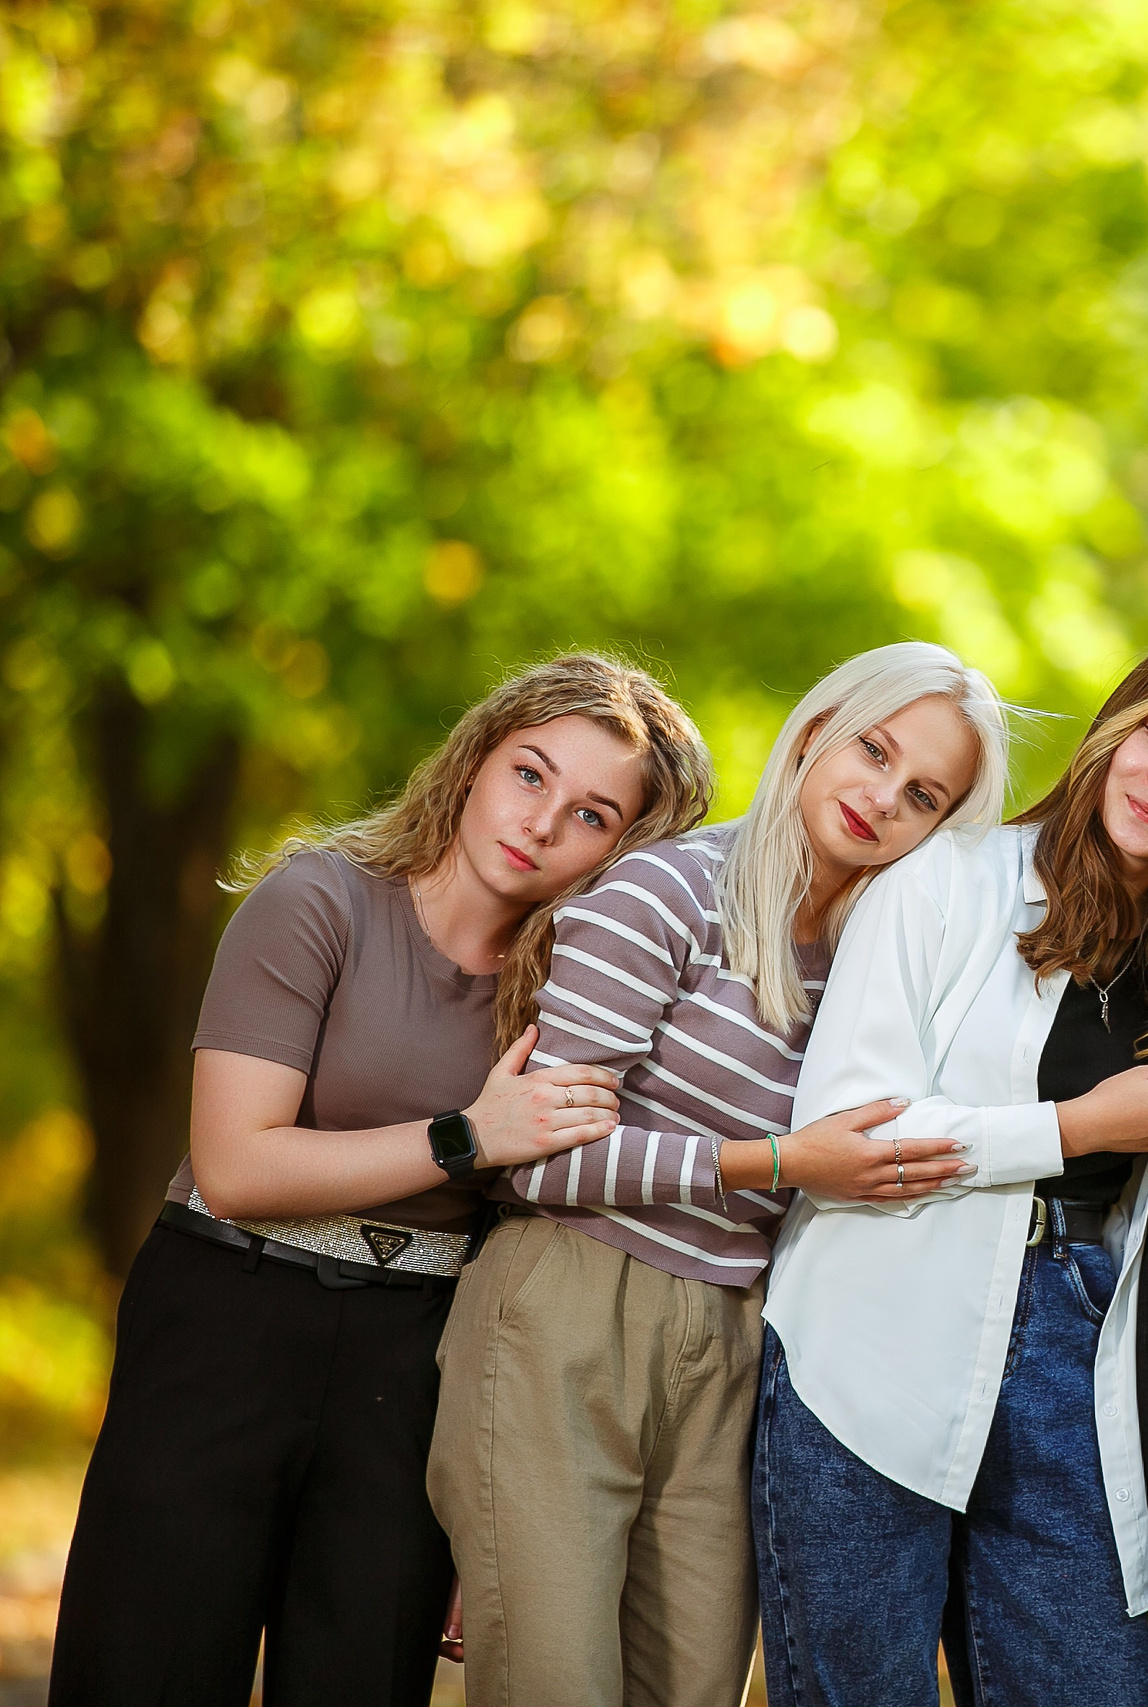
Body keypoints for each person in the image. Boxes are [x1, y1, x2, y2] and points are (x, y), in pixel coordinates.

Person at [50, 655, 714, 1707]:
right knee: (147, 1668)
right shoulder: (317, 900)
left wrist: (482, 1519)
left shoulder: (583, 1002)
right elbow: (235, 1166)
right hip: (226, 1315)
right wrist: (468, 1137)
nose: (540, 823)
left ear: (623, 851)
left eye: (591, 815)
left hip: (418, 1360)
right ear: (475, 759)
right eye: (529, 774)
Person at [753, 630, 1148, 1707]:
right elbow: (846, 1138)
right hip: (872, 1336)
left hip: (1077, 1361)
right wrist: (1075, 1127)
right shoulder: (944, 878)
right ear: (1114, 729)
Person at [426, 642, 1009, 1707]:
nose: (882, 797)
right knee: (554, 1684)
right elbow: (544, 1163)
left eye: (922, 792)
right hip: (568, 1307)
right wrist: (784, 1163)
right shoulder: (666, 889)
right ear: (816, 728)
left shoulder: (880, 962)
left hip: (737, 1339)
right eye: (872, 750)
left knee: (694, 1687)